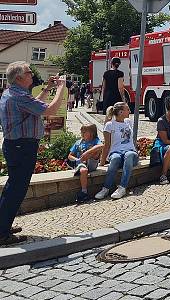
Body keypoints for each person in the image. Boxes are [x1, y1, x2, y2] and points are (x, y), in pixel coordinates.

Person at [0, 63, 68, 245]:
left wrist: (47, 89)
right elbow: (50, 111)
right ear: (19, 77)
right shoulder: (19, 96)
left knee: (12, 188)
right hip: (22, 147)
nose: (32, 75)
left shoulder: (12, 93)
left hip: (16, 146)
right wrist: (61, 88)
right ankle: (2, 233)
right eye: (29, 73)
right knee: (16, 190)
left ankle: (3, 225)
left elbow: (33, 106)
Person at [96, 101, 139, 200]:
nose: (129, 111)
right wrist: (102, 162)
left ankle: (122, 187)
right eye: (127, 109)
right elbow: (107, 144)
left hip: (130, 153)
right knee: (115, 158)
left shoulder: (129, 122)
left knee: (128, 155)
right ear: (120, 112)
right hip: (116, 152)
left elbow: (132, 140)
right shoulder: (110, 125)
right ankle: (106, 188)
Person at [67, 124, 103, 202]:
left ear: (92, 133)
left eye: (85, 132)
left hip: (92, 162)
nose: (82, 134)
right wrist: (77, 160)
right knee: (83, 170)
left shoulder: (95, 140)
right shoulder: (78, 142)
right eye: (82, 132)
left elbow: (101, 146)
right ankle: (84, 192)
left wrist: (88, 152)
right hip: (81, 163)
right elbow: (70, 156)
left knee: (96, 150)